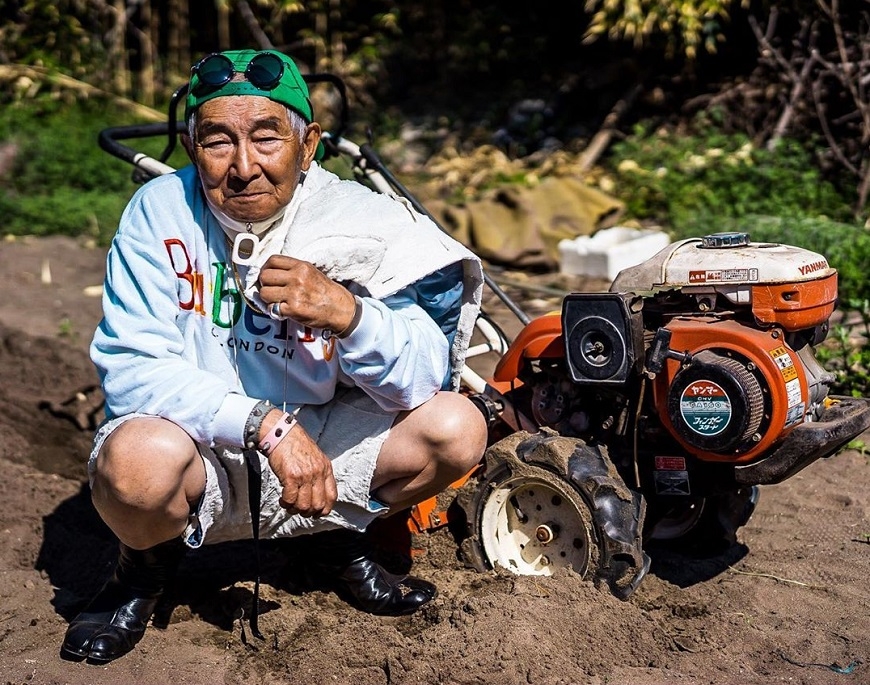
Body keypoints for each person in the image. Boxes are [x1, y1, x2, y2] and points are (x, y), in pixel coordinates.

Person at [60, 48, 488, 665]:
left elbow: (424, 377)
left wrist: (349, 313)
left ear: (308, 145)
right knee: (134, 463)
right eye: (218, 142)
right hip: (199, 443)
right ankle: (144, 571)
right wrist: (265, 424)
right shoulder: (160, 211)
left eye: (266, 138)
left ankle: (330, 537)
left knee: (456, 426)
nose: (243, 167)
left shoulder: (361, 220)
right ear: (192, 147)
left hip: (323, 440)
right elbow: (133, 369)